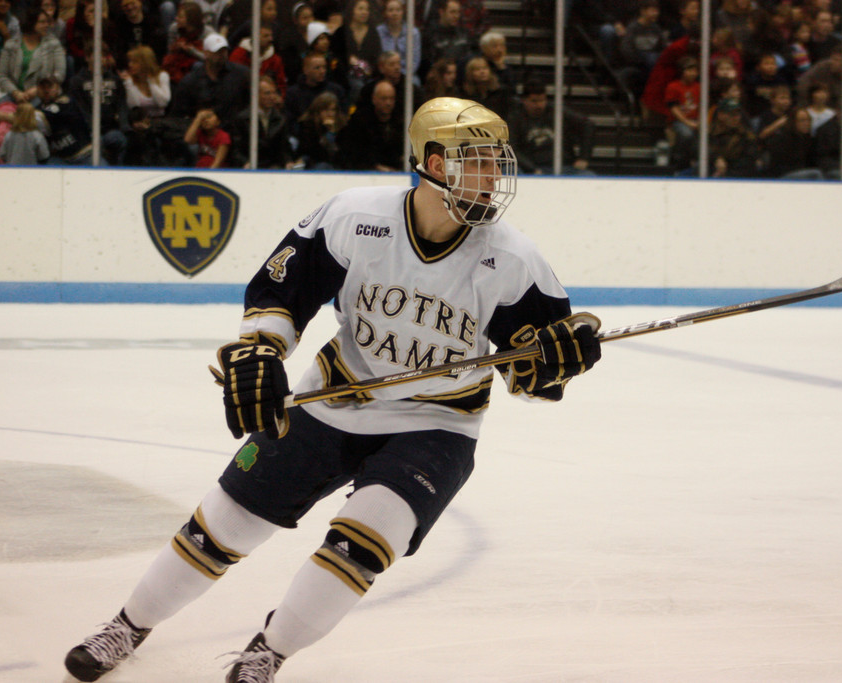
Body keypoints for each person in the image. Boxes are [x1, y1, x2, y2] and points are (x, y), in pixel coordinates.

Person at [63, 96, 602, 683]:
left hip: (437, 426)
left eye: (498, 161)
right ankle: (127, 625)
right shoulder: (353, 217)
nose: (494, 175)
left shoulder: (514, 259)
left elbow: (533, 370)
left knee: (363, 544)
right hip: (334, 396)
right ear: (434, 163)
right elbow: (280, 294)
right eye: (478, 160)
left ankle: (267, 652)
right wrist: (262, 350)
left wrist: (556, 365)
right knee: (223, 525)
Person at [508, 78, 596, 175]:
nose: (539, 105)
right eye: (534, 101)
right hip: (531, 168)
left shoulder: (557, 112)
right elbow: (512, 148)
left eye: (542, 100)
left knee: (587, 175)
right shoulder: (515, 118)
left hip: (565, 166)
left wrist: (584, 158)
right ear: (524, 100)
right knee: (509, 171)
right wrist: (531, 169)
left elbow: (588, 125)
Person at [171, 33, 251, 125]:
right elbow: (178, 115)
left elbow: (249, 104)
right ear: (206, 53)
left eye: (224, 50)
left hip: (234, 131)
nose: (222, 55)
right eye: (217, 51)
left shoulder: (241, 74)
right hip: (203, 134)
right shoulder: (190, 82)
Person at [0, 9, 66, 103]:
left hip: (43, 94)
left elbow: (60, 74)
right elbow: (2, 76)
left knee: (28, 114)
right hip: (14, 95)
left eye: (47, 22)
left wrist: (38, 89)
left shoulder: (54, 44)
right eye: (42, 22)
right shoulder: (11, 45)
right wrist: (16, 93)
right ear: (30, 23)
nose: (47, 25)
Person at [228, 76, 295, 169]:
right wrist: (245, 162)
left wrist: (288, 161)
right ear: (256, 95)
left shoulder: (280, 119)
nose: (272, 97)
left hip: (273, 166)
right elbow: (236, 149)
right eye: (267, 93)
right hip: (249, 166)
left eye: (274, 93)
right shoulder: (242, 119)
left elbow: (284, 148)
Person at [335, 80, 403, 170]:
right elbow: (355, 151)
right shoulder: (360, 121)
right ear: (374, 99)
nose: (388, 103)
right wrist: (376, 166)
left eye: (391, 99)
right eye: (384, 98)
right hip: (366, 171)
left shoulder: (401, 121)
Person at [330, 0, 383, 103]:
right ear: (352, 11)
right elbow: (335, 55)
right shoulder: (342, 32)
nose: (364, 12)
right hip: (346, 75)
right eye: (360, 9)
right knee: (358, 86)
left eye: (367, 9)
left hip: (369, 74)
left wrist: (368, 69)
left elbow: (377, 55)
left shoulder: (373, 32)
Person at [284, 51, 348, 124]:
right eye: (317, 68)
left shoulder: (336, 90)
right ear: (305, 70)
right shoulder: (293, 93)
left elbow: (343, 116)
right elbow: (291, 121)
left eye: (324, 67)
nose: (322, 71)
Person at [229, 22, 288, 97]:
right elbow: (232, 81)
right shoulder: (239, 54)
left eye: (271, 36)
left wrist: (279, 97)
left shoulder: (275, 59)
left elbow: (281, 85)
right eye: (266, 36)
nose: (270, 39)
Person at [764, 106, 823, 179]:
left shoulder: (808, 139)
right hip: (783, 175)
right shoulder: (783, 139)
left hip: (801, 173)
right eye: (802, 120)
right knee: (816, 174)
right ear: (793, 122)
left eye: (808, 120)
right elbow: (778, 165)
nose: (806, 123)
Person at [294, 91, 348, 169]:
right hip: (313, 161)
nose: (330, 114)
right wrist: (325, 132)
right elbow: (308, 150)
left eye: (333, 110)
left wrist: (332, 132)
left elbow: (343, 152)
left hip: (337, 164)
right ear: (317, 110)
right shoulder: (307, 124)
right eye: (326, 110)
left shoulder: (342, 125)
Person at [377, 0, 422, 86]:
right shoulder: (379, 32)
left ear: (403, 12)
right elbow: (378, 58)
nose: (395, 13)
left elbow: (415, 60)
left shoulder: (413, 33)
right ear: (385, 13)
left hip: (407, 74)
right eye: (391, 10)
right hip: (385, 74)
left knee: (415, 83)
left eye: (398, 10)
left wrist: (400, 74)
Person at [121, 44, 172, 119]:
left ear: (145, 63)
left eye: (134, 62)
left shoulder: (162, 76)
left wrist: (150, 81)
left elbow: (163, 103)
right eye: (130, 61)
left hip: (160, 121)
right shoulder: (130, 81)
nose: (130, 65)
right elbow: (134, 106)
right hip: (139, 122)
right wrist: (128, 83)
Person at [114, 0, 168, 67]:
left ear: (140, 3)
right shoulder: (119, 24)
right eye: (126, 6)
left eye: (133, 3)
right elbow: (120, 51)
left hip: (151, 64)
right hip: (129, 65)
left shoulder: (153, 22)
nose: (130, 7)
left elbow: (159, 49)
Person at [460, 55, 510, 120]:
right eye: (477, 69)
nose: (482, 72)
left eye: (485, 68)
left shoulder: (501, 92)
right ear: (470, 73)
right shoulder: (466, 95)